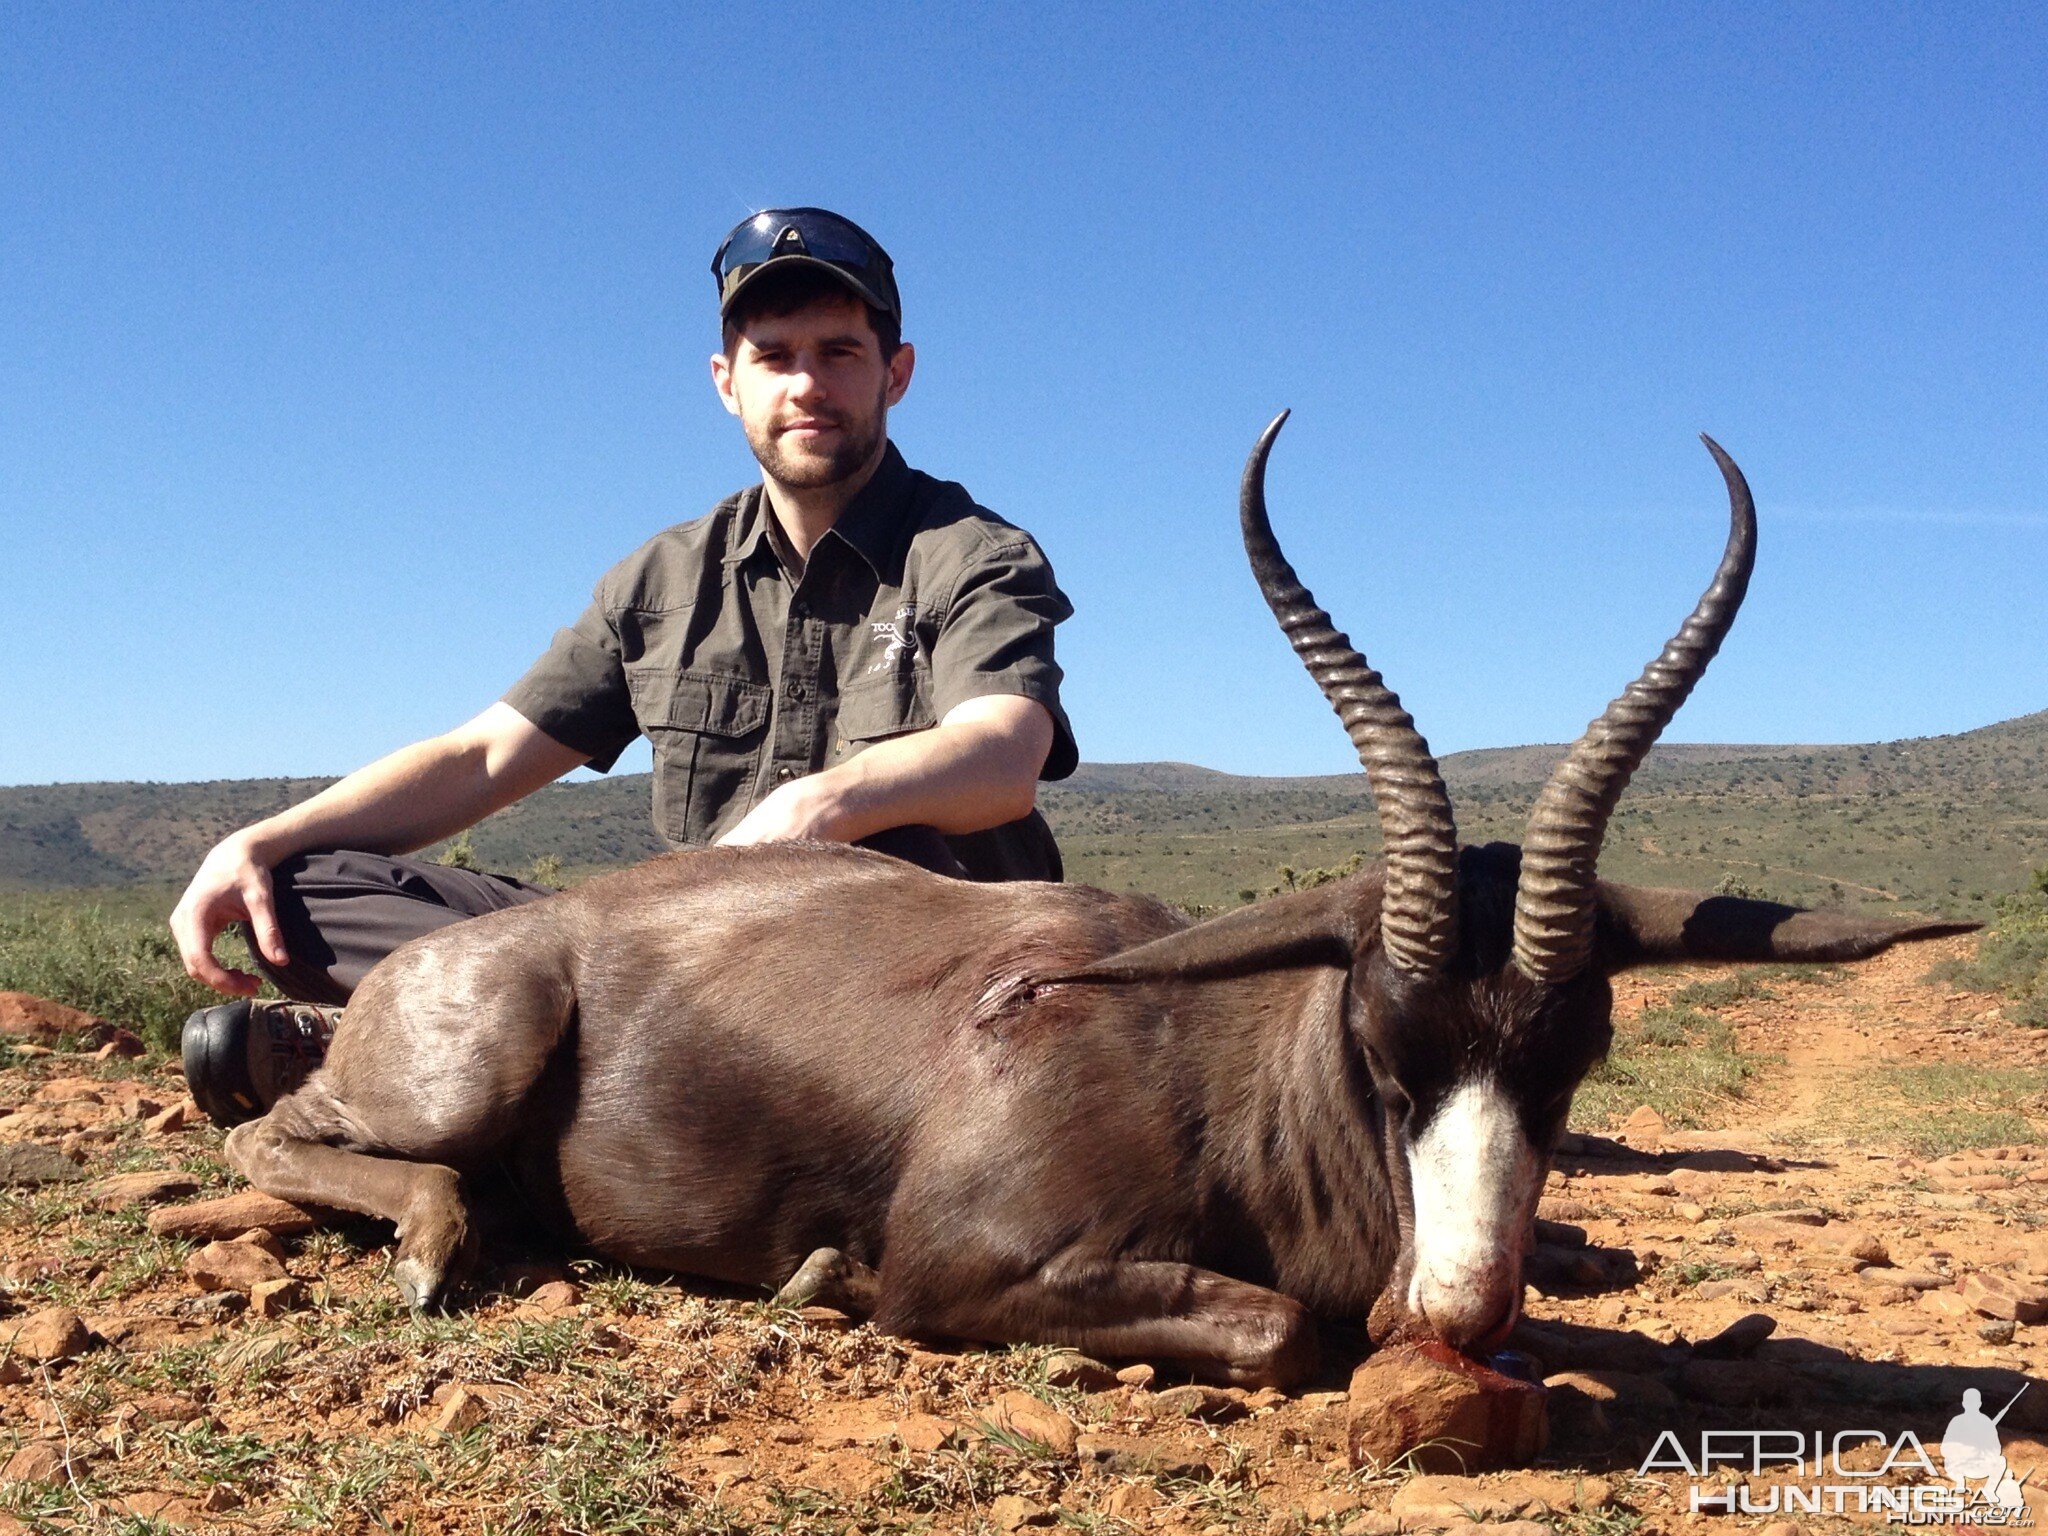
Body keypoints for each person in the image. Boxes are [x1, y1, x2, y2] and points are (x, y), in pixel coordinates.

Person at [173, 207, 1077, 1127]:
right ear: (728, 382)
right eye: (775, 355)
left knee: (900, 849)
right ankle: (558, 1064)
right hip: (688, 981)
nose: (806, 384)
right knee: (298, 890)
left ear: (897, 372)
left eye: (839, 353)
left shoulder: (974, 554)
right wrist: (258, 840)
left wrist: (824, 805)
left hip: (913, 996)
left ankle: (457, 1065)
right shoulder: (661, 580)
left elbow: (1002, 752)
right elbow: (485, 758)